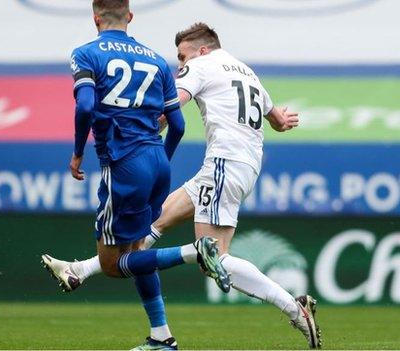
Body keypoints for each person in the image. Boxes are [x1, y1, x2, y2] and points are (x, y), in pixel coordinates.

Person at [42, 22, 322, 349]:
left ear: (202, 50)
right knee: (152, 226)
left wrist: (140, 133)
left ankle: (294, 308)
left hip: (224, 164)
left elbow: (172, 106)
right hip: (238, 166)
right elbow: (276, 120)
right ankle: (83, 273)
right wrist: (283, 120)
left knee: (211, 256)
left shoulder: (201, 66)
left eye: (182, 57)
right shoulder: (247, 72)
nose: (180, 65)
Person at [42, 5, 231, 350]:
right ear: (130, 17)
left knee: (112, 264)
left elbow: (84, 107)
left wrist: (78, 153)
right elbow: (177, 125)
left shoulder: (86, 54)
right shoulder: (158, 60)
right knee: (137, 250)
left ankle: (195, 252)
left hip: (124, 165)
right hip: (157, 160)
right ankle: (162, 336)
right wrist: (160, 162)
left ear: (96, 17)